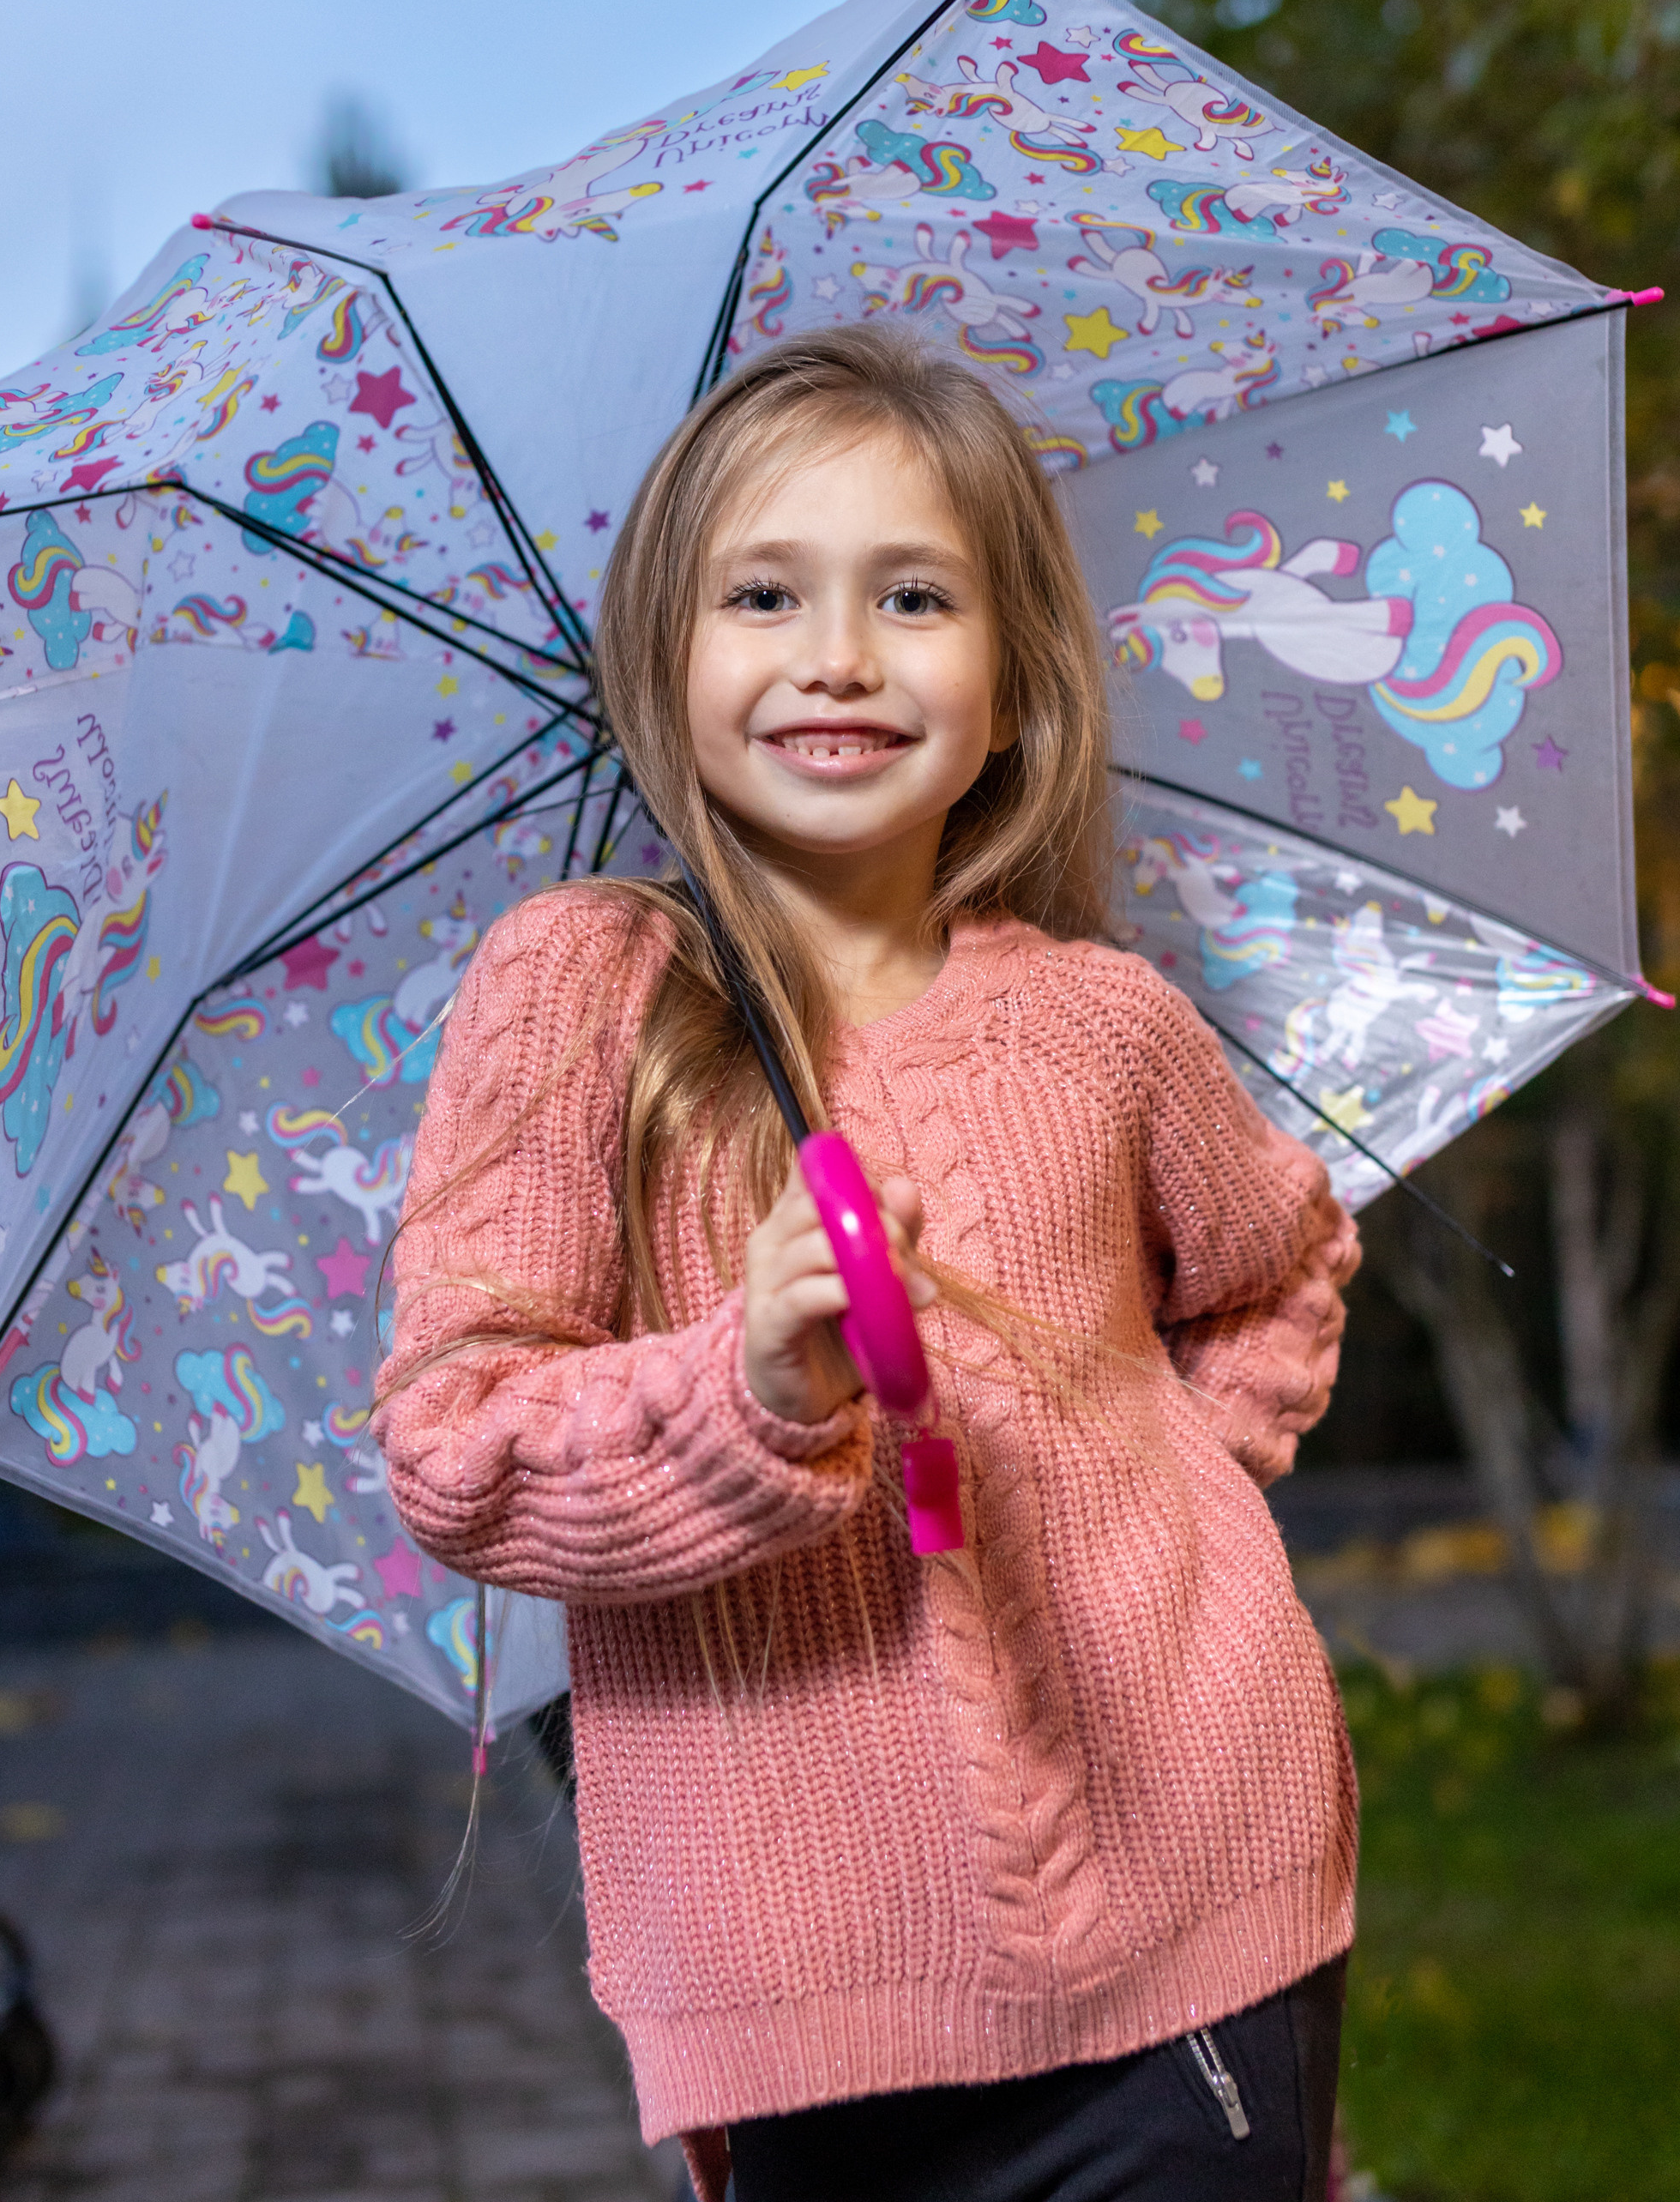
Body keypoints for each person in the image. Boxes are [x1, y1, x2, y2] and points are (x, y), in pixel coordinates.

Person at [374, 324, 1360, 2202]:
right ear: (665, 658)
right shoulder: (585, 992)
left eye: (913, 596)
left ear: (1011, 683)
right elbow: (457, 1447)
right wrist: (735, 1386)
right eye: (765, 593)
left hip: (1203, 1892)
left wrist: (1184, 1489)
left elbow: (1273, 1255)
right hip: (807, 1979)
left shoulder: (1102, 1024)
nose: (837, 653)